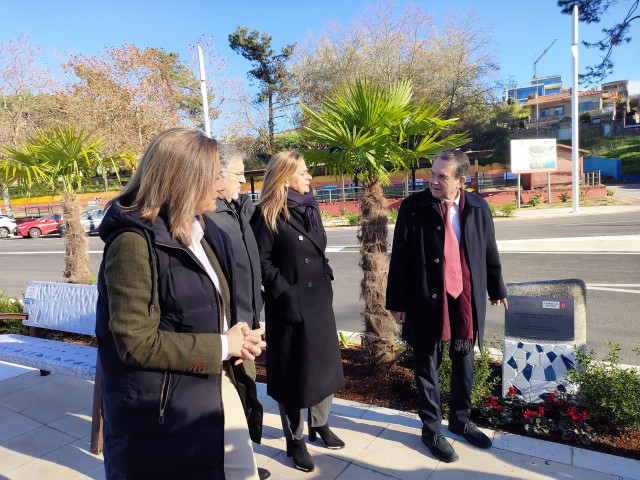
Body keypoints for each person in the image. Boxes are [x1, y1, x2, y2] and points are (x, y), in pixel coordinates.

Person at [95, 128, 266, 480]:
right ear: (185, 179)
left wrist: (236, 336)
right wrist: (221, 344)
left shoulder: (205, 231)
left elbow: (205, 306)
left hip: (214, 383)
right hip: (163, 408)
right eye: (213, 174)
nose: (221, 182)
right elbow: (135, 343)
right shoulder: (132, 243)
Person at [386, 149, 508, 463]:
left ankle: (461, 419)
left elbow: (488, 252)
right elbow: (400, 257)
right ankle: (431, 428)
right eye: (433, 173)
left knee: (464, 356)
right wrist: (397, 302)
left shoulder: (478, 208)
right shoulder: (414, 207)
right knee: (427, 361)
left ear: (460, 180)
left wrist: (496, 288)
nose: (434, 180)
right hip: (426, 297)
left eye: (442, 176)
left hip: (465, 295)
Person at [251, 151, 345, 473]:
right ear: (285, 176)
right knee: (294, 375)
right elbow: (261, 262)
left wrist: (327, 274)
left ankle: (319, 424)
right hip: (290, 306)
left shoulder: (310, 207)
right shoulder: (266, 213)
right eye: (303, 173)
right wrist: (285, 291)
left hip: (318, 301)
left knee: (322, 367)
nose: (309, 178)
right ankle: (296, 439)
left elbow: (318, 251)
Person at [207, 141, 271, 480]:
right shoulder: (207, 217)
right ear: (218, 175)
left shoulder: (240, 208)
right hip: (229, 331)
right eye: (239, 174)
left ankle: (240, 461)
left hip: (249, 323)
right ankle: (231, 466)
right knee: (231, 397)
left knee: (246, 392)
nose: (244, 181)